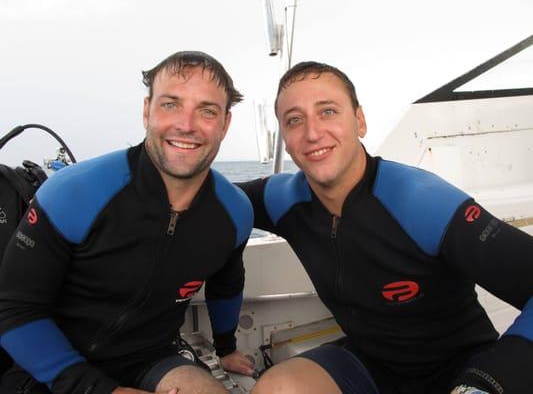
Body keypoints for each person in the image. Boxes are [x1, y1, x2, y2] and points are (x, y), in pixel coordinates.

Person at [238, 62, 533, 394]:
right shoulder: (284, 200)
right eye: (295, 120)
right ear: (286, 141)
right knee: (275, 388)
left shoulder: (420, 201)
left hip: (460, 369)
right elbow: (209, 200)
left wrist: (492, 380)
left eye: (328, 111)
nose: (312, 132)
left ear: (360, 122)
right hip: (371, 365)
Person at [0, 51, 255, 394]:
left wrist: (225, 349)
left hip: (151, 357)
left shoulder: (234, 212)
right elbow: (14, 308)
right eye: (171, 104)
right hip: (52, 364)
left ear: (225, 124)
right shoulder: (75, 191)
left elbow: (227, 285)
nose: (187, 124)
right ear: (147, 110)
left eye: (207, 110)